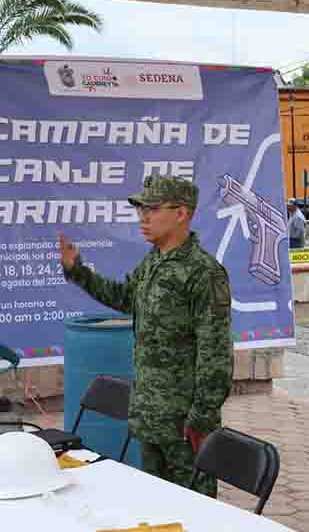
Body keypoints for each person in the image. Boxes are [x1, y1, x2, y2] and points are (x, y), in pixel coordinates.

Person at [59, 174, 233, 497]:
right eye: (141, 210)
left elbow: (216, 355)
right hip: (150, 417)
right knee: (156, 505)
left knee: (194, 510)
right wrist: (77, 271)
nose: (143, 218)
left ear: (181, 214)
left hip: (183, 425)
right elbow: (124, 296)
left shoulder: (203, 273)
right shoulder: (153, 262)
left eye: (152, 209)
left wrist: (202, 419)